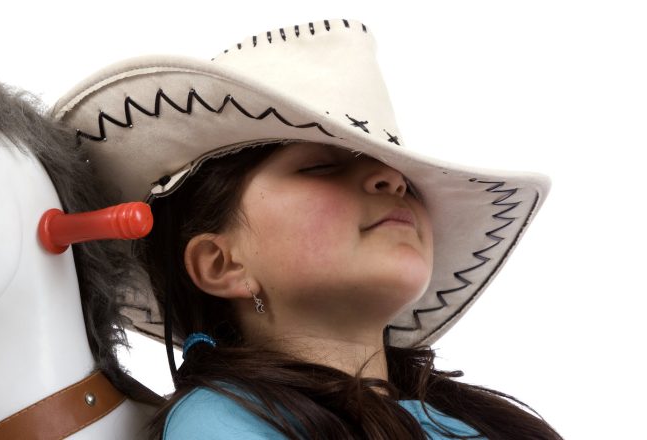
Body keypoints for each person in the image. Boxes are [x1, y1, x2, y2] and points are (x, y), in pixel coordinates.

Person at [54, 19, 562, 439]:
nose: (391, 180)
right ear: (222, 263)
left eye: (401, 176)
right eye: (320, 166)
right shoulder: (221, 421)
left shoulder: (483, 426)